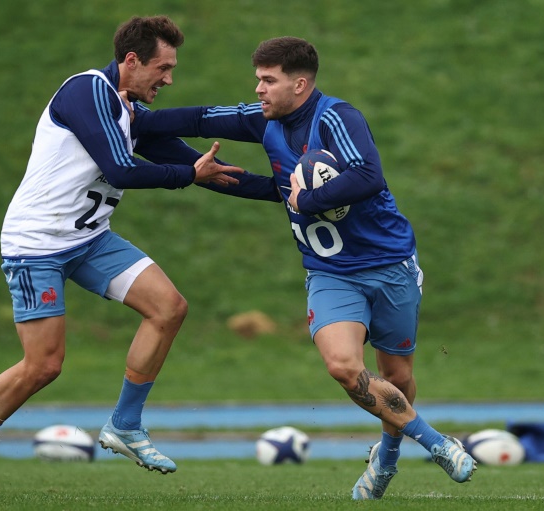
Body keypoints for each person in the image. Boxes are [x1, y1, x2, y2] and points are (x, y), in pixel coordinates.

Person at [0, 16, 280, 499]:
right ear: (132, 60)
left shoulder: (129, 113)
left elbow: (207, 169)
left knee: (169, 308)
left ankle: (125, 425)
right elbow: (123, 168)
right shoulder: (85, 91)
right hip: (36, 245)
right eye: (163, 67)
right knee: (45, 365)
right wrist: (186, 175)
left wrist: (287, 194)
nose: (169, 79)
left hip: (90, 238)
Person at [133, 36, 477, 499]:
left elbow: (367, 175)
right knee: (342, 365)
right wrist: (137, 119)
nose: (258, 89)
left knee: (396, 378)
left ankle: (386, 458)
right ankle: (437, 444)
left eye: (268, 80)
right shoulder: (263, 119)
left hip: (390, 264)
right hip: (330, 272)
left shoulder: (337, 116)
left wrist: (306, 199)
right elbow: (198, 119)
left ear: (299, 84)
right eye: (258, 78)